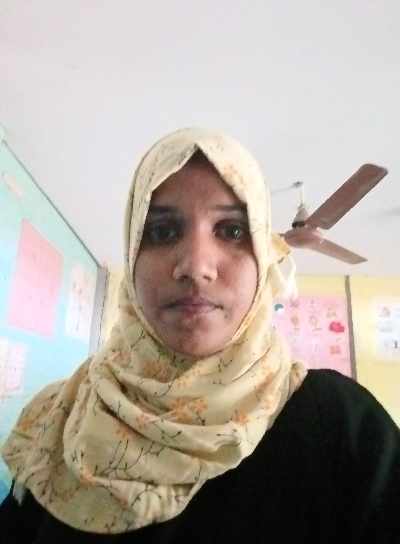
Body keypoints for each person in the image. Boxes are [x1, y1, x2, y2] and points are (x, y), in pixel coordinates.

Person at [0, 128, 399, 543]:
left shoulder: (340, 425)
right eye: (162, 231)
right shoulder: (57, 419)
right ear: (132, 257)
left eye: (232, 231)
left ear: (263, 260)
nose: (195, 266)